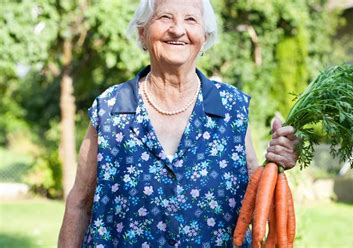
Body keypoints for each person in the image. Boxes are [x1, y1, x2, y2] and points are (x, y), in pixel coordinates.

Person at [58, 0, 299, 247]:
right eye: (165, 17)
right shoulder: (111, 108)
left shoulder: (231, 108)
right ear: (142, 33)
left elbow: (253, 199)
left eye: (191, 20)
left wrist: (277, 164)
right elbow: (80, 203)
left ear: (204, 37)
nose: (177, 29)